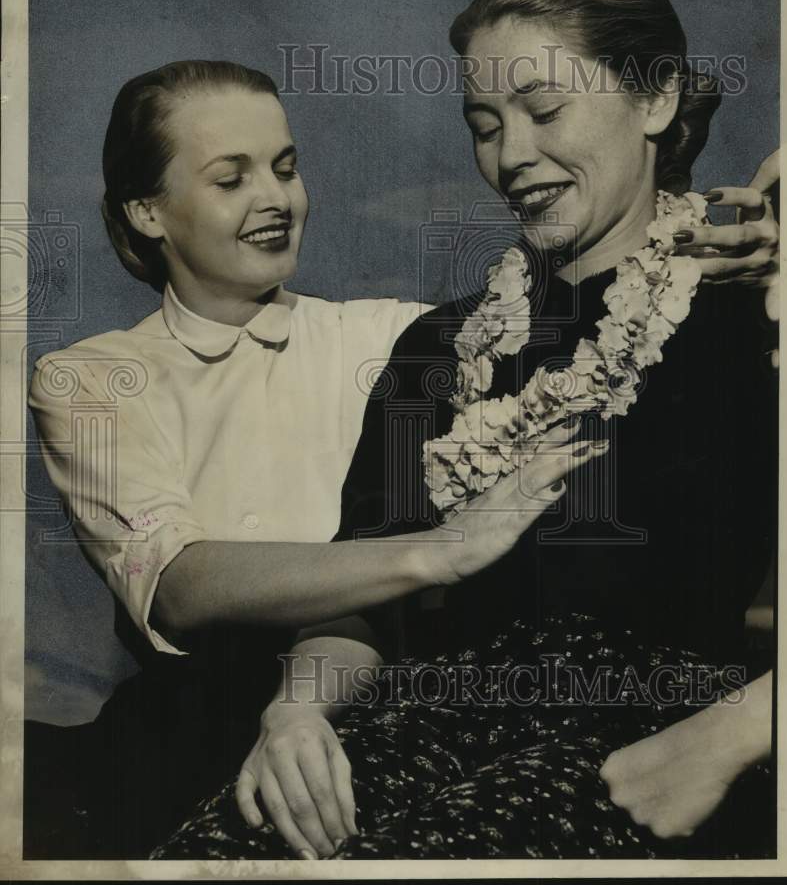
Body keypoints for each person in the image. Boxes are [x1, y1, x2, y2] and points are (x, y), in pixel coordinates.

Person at [151, 0, 779, 861]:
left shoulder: (756, 314)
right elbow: (361, 603)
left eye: (544, 110)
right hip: (423, 723)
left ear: (655, 100)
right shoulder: (432, 353)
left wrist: (729, 738)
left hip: (651, 747)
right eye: (484, 126)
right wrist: (295, 715)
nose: (510, 155)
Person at [26, 59, 606, 857]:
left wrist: (720, 249)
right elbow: (178, 587)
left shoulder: (387, 338)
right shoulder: (88, 379)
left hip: (379, 702)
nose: (276, 198)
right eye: (231, 179)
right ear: (147, 211)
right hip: (187, 729)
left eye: (285, 168)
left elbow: (588, 319)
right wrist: (438, 552)